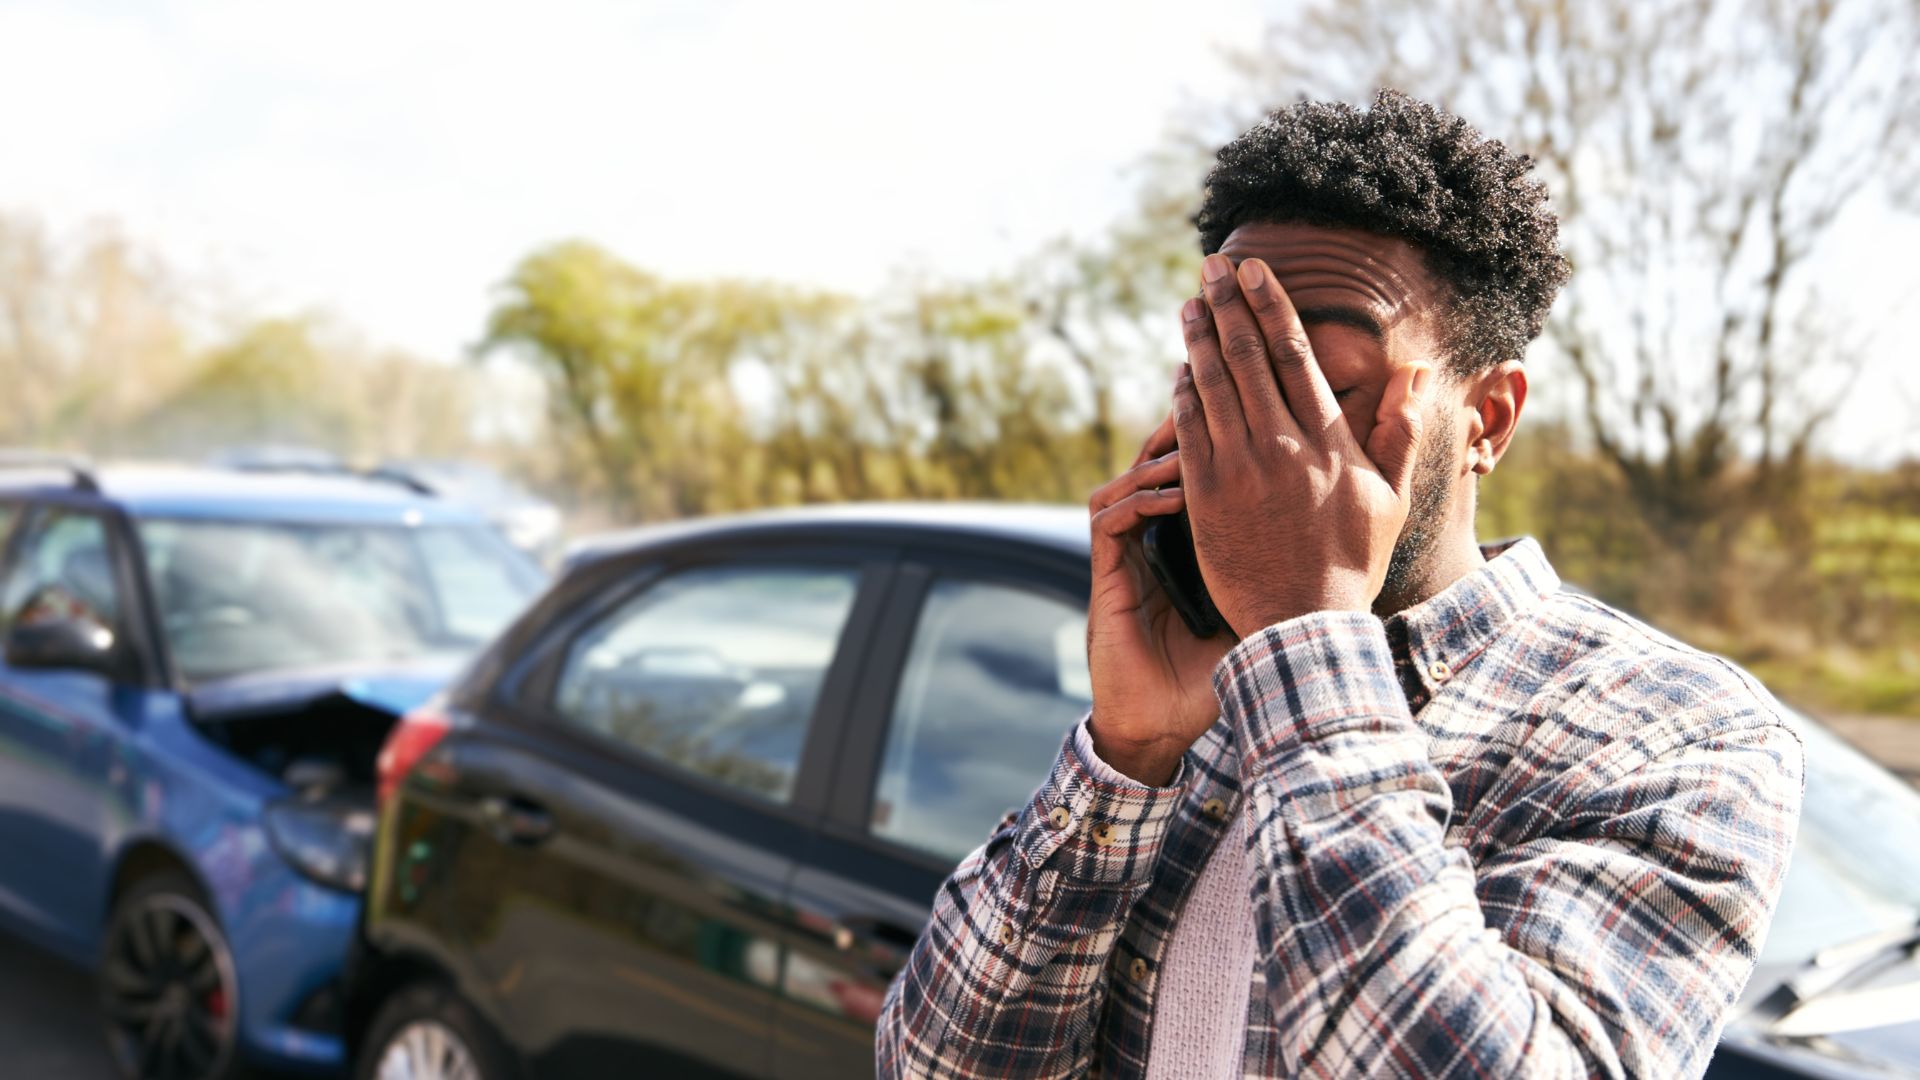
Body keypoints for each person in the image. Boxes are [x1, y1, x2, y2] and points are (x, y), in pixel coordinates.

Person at [875, 90, 1803, 1079]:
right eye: (1228, 374)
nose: (1260, 434)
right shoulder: (1198, 690)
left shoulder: (1679, 730)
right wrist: (1126, 756)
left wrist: (1309, 637)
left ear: (1487, 418)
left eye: (1319, 383)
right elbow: (937, 1067)